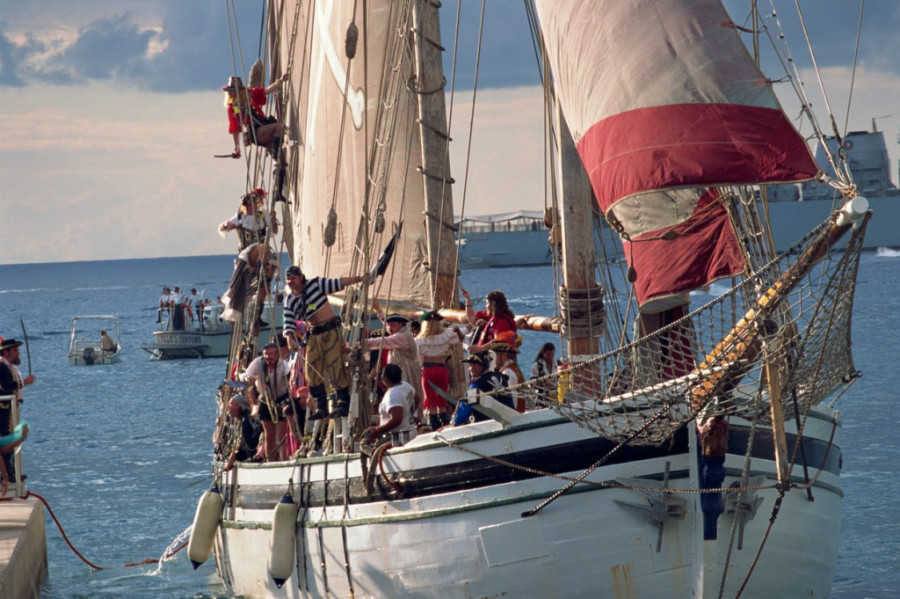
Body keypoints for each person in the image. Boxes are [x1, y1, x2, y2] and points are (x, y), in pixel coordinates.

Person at [282, 265, 372, 420]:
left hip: (330, 331)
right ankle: (321, 407)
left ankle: (343, 404)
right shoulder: (290, 300)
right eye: (288, 279)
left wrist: (358, 278)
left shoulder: (315, 284)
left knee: (335, 366)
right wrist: (290, 339)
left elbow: (337, 283)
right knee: (311, 372)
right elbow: (288, 322)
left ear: (301, 277)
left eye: (293, 278)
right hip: (314, 334)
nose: (290, 282)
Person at [363, 314, 423, 415]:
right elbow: (388, 326)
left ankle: (408, 418)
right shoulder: (400, 331)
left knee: (404, 400)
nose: (389, 328)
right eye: (388, 325)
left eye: (393, 325)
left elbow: (382, 341)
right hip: (397, 377)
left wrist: (361, 343)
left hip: (405, 377)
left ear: (400, 324)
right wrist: (379, 311)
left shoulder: (402, 337)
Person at [241, 342, 291, 461]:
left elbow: (290, 379)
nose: (268, 357)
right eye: (266, 355)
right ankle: (270, 460)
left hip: (281, 399)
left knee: (281, 435)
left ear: (277, 354)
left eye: (271, 354)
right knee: (269, 436)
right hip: (265, 401)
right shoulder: (258, 362)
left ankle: (283, 459)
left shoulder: (283, 365)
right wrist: (251, 381)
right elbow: (246, 376)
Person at [222, 73, 289, 159]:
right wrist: (237, 147)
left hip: (264, 126)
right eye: (230, 90)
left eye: (233, 90)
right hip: (256, 131)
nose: (231, 93)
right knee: (279, 128)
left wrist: (281, 80)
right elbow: (235, 127)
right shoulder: (235, 107)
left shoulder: (249, 94)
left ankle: (280, 166)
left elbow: (267, 91)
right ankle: (277, 157)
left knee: (282, 161)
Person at [416, 310, 464, 430]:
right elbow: (460, 337)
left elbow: (419, 359)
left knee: (431, 403)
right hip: (442, 370)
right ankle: (446, 424)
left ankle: (434, 427)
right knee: (442, 401)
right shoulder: (446, 335)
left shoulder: (419, 340)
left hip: (428, 371)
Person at [0, 337, 35, 483]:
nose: (17, 353)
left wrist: (23, 383)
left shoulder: (8, 366)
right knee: (7, 441)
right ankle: (7, 475)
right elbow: (8, 385)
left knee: (11, 439)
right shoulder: (1, 366)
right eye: (14, 350)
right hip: (4, 410)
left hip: (12, 408)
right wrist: (25, 381)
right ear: (6, 352)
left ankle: (11, 473)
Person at [221, 242, 278, 327]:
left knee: (264, 289)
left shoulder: (272, 263)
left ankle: (257, 316)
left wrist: (266, 279)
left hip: (256, 268)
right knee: (264, 248)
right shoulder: (262, 248)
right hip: (248, 263)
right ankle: (230, 312)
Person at [365, 364, 418, 448]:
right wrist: (409, 414)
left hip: (398, 439)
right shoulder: (405, 385)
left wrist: (378, 430)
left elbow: (396, 419)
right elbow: (417, 398)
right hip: (411, 432)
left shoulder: (393, 394)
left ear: (385, 379)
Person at [454, 352, 513, 426]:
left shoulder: (476, 385)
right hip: (510, 420)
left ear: (478, 366)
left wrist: (453, 422)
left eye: (470, 365)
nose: (469, 369)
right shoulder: (502, 378)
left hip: (486, 425)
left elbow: (464, 411)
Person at [223, 394, 262, 471]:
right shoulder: (237, 422)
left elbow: (247, 446)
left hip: (250, 455)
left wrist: (232, 459)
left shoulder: (246, 421)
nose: (227, 406)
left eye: (231, 404)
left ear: (238, 406)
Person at [488, 339, 526, 412]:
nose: (493, 360)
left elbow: (513, 397)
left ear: (503, 356)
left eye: (495, 356)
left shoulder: (507, 372)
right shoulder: (512, 369)